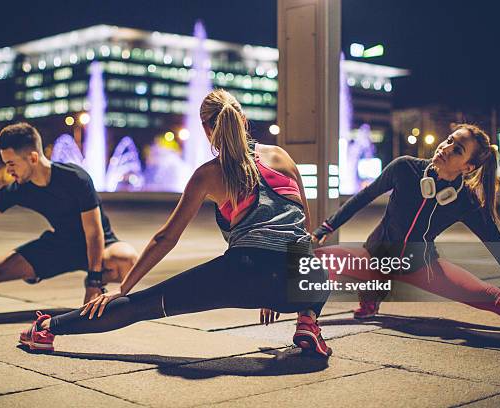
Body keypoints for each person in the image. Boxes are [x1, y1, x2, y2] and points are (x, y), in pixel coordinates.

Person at [19, 89, 332, 356]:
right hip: (304, 278)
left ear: (208, 131)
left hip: (243, 272)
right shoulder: (281, 157)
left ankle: (47, 329)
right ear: (243, 121)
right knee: (319, 267)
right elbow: (304, 227)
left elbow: (166, 238)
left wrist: (124, 288)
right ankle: (307, 322)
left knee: (141, 305)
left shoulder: (209, 174)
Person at [312, 124, 500, 326]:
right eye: (449, 140)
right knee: (312, 262)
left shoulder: (465, 200)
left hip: (422, 267)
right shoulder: (404, 168)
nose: (446, 148)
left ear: (468, 167)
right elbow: (364, 196)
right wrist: (326, 228)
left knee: (497, 299)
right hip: (374, 259)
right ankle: (322, 317)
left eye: (457, 150)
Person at [0, 123, 138, 307]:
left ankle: (114, 297)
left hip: (101, 246)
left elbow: (94, 233)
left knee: (128, 259)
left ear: (33, 157)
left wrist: (93, 282)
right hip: (60, 246)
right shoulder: (20, 188)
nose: (9, 171)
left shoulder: (75, 178)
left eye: (11, 164)